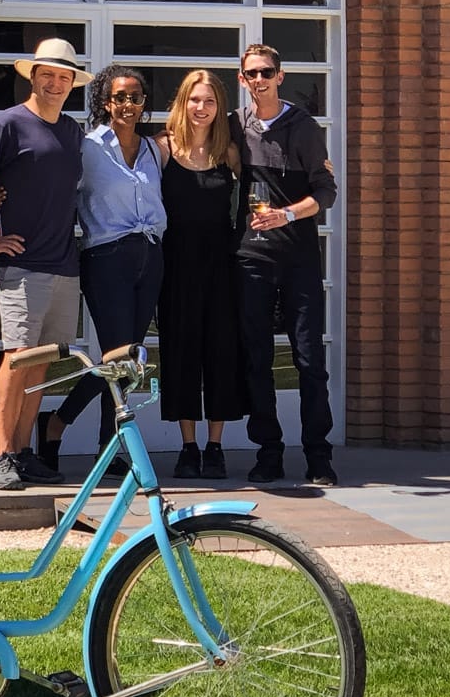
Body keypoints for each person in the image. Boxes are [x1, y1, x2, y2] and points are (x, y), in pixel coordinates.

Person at [0, 37, 90, 492]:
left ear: (72, 83)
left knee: (41, 363)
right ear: (33, 77)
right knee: (17, 358)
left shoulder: (72, 131)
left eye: (63, 76)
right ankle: (3, 456)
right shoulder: (7, 124)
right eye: (47, 74)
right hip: (22, 264)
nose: (55, 83)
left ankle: (24, 453)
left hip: (64, 263)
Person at [38, 64, 166, 479]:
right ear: (105, 103)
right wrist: (5, 194)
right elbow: (50, 181)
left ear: (144, 104)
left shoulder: (153, 150)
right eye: (119, 97)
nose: (128, 105)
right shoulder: (88, 147)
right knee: (119, 355)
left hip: (150, 255)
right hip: (107, 257)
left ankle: (104, 447)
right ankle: (58, 424)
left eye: (135, 98)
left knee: (129, 358)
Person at [231, 43, 339, 486]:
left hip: (298, 257)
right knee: (256, 358)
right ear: (242, 79)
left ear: (280, 75)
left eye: (266, 72)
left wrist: (288, 214)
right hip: (252, 258)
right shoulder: (235, 125)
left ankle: (318, 454)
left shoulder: (303, 126)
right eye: (251, 73)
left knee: (309, 359)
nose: (259, 80)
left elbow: (327, 192)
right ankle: (269, 452)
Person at [156, 70, 244, 480]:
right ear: (182, 102)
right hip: (176, 266)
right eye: (195, 99)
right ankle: (188, 446)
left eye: (209, 101)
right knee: (181, 354)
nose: (201, 107)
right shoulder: (162, 148)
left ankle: (216, 446)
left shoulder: (229, 152)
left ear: (219, 107)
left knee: (221, 354)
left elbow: (265, 188)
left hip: (222, 267)